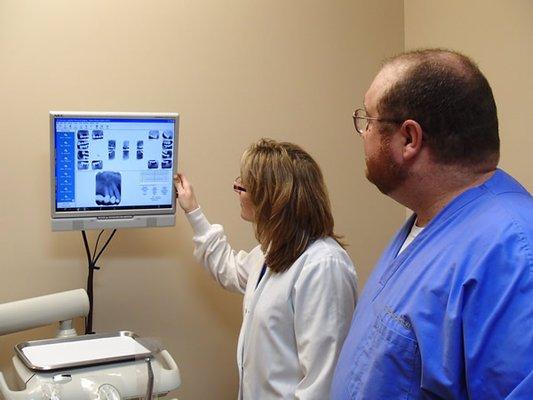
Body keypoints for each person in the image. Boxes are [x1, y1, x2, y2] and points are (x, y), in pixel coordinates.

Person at [331, 49, 533, 399]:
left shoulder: (512, 252)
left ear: (409, 139)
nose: (362, 133)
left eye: (369, 119)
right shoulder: (426, 220)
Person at [175, 138, 358, 400]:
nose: (237, 189)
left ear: (271, 198)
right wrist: (193, 211)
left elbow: (321, 384)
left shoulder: (324, 266)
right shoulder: (272, 251)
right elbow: (229, 269)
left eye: (245, 185)